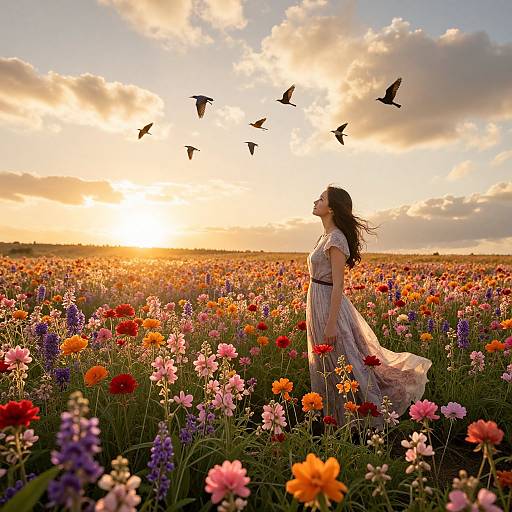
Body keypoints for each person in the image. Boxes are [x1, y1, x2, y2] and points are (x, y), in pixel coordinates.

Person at [306, 185, 432, 426]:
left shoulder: (335, 239)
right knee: (328, 363)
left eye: (321, 198)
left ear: (331, 208)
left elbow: (338, 283)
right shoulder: (325, 236)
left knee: (344, 361)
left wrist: (332, 323)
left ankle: (356, 420)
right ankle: (335, 419)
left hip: (328, 304)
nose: (315, 201)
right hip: (317, 301)